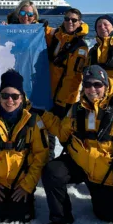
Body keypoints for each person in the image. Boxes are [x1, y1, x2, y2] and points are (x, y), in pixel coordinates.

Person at [41, 65, 113, 224]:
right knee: (52, 171)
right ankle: (61, 217)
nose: (91, 89)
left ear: (106, 87)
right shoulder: (76, 109)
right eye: (87, 84)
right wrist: (42, 114)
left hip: (105, 174)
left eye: (97, 84)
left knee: (110, 217)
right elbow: (61, 132)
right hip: (80, 164)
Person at [0, 70, 49, 224]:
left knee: (19, 219)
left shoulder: (33, 121)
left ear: (21, 98)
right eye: (5, 95)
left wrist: (27, 186)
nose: (10, 100)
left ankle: (25, 201)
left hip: (21, 183)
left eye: (15, 96)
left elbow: (41, 155)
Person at [45, 8, 89, 158]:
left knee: (65, 134)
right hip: (49, 93)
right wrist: (11, 24)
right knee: (48, 130)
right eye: (67, 19)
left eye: (74, 20)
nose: (70, 22)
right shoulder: (56, 36)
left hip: (67, 98)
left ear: (80, 22)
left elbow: (81, 75)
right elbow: (36, 30)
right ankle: (48, 159)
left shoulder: (82, 47)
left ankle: (75, 160)